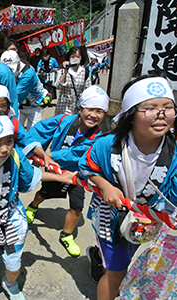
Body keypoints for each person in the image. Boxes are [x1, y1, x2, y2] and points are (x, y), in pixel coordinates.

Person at [79, 71, 177, 300]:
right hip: (111, 217)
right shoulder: (107, 145)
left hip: (145, 222)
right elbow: (86, 169)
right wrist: (104, 185)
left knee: (128, 254)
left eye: (168, 107)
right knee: (118, 272)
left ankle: (99, 257)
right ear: (130, 114)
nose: (161, 114)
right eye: (150, 108)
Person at [0, 108, 76, 300]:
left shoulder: (15, 158)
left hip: (12, 217)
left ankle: (10, 283)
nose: (4, 149)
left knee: (14, 262)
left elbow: (33, 175)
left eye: (9, 141)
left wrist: (62, 177)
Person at [24, 85, 109, 257]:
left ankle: (66, 235)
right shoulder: (64, 120)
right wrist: (33, 148)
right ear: (80, 108)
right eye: (90, 109)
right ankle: (33, 206)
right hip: (55, 171)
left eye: (99, 111)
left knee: (77, 206)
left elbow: (74, 154)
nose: (94, 115)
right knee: (44, 193)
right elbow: (40, 130)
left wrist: (48, 155)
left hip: (77, 175)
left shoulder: (98, 138)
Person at [0, 83, 56, 168]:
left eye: (3, 105)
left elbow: (27, 141)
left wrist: (44, 155)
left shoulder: (13, 123)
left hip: (11, 165)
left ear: (9, 105)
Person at [0, 50, 51, 131]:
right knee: (14, 131)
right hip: (21, 106)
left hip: (35, 106)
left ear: (18, 62)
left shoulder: (28, 73)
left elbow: (16, 96)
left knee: (32, 134)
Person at [55, 46, 91, 115]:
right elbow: (58, 86)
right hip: (63, 106)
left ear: (81, 58)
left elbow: (88, 90)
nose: (75, 59)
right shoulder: (63, 71)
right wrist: (65, 71)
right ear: (69, 57)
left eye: (78, 57)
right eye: (73, 56)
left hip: (77, 107)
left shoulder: (85, 72)